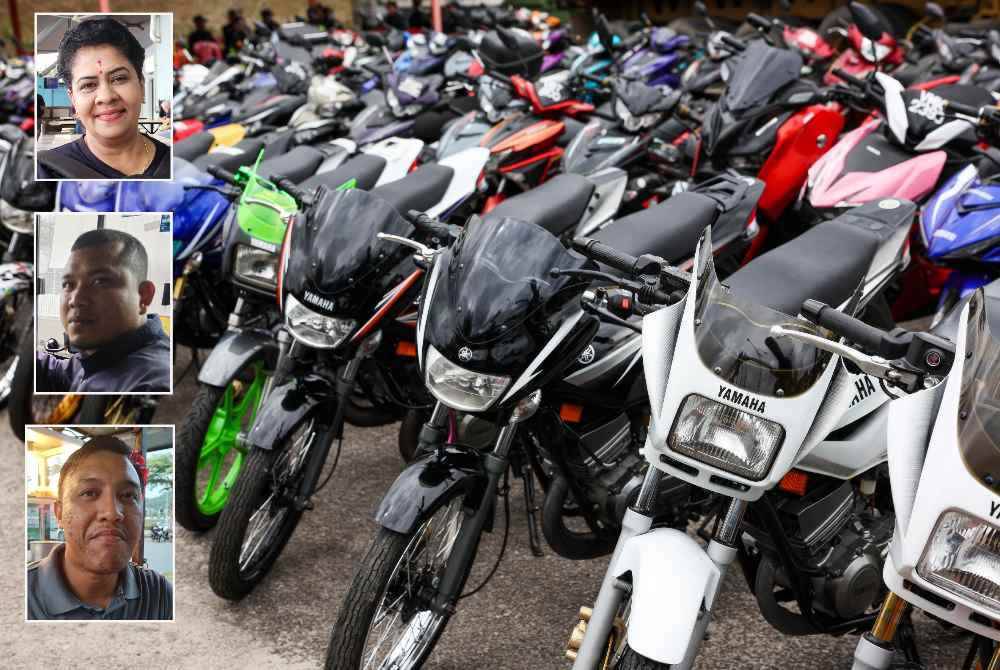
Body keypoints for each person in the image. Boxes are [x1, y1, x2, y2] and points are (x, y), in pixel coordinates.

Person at [27, 436, 173, 620]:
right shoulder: (23, 598)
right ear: (59, 513)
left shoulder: (159, 595)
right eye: (89, 493)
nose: (112, 513)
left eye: (128, 495)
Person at [36, 228, 171, 394]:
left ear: (143, 296)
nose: (75, 299)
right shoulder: (99, 353)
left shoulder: (150, 385)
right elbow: (61, 372)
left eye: (99, 281)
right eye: (68, 285)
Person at [37, 18, 169, 179]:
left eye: (119, 78)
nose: (106, 97)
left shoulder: (175, 165)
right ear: (73, 100)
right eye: (88, 85)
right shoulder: (48, 173)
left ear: (141, 86)